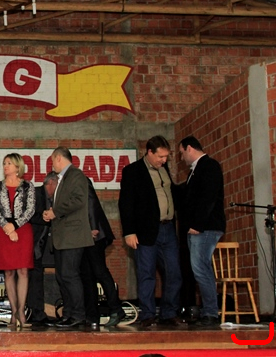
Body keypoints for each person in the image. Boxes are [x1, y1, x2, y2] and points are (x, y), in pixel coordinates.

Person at [119, 135, 183, 327]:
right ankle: (147, 314)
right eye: (160, 156)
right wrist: (129, 232)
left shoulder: (164, 170)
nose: (163, 160)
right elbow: (126, 204)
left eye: (166, 157)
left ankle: (168, 313)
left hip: (168, 229)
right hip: (145, 231)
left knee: (174, 272)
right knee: (146, 273)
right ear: (149, 152)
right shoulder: (133, 171)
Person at [43, 147, 94, 328]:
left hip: (73, 236)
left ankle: (78, 314)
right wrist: (51, 213)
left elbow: (79, 200)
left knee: (70, 275)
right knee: (62, 276)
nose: (52, 165)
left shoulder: (76, 175)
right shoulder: (63, 178)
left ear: (58, 158)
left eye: (52, 160)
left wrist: (55, 212)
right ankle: (68, 314)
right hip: (63, 236)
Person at [178, 136, 226, 326]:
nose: (181, 157)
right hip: (199, 228)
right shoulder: (196, 170)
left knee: (200, 268)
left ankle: (211, 312)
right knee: (199, 268)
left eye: (182, 153)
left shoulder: (209, 166)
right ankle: (208, 310)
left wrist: (197, 224)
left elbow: (208, 197)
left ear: (189, 148)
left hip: (205, 227)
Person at [0, 153, 36, 329]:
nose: (5, 166)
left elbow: (30, 210)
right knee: (8, 272)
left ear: (18, 167)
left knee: (23, 271)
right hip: (4, 231)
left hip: (23, 230)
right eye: (4, 163)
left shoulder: (27, 186)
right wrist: (7, 227)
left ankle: (22, 311)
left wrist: (15, 226)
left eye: (9, 163)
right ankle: (13, 311)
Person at [80, 177, 125, 328]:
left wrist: (93, 227)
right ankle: (92, 316)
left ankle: (116, 309)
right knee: (87, 275)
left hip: (95, 234)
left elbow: (91, 201)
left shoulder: (79, 179)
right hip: (84, 235)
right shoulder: (73, 180)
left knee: (99, 271)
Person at [27, 171, 58, 324]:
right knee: (32, 278)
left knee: (37, 278)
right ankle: (33, 312)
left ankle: (37, 312)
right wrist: (47, 218)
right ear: (51, 183)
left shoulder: (52, 199)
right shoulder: (35, 193)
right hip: (29, 243)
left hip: (39, 246)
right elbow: (28, 215)